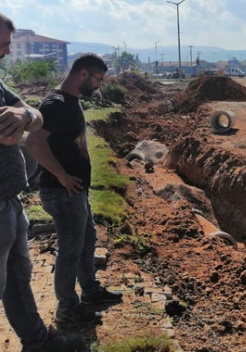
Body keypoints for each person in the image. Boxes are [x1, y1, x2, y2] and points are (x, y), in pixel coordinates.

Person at [0, 13, 85, 351]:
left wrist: (23, 116)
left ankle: (37, 342)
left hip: (9, 201)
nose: (6, 53)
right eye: (3, 45)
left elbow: (34, 115)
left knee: (18, 280)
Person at [25, 53, 123, 328]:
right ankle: (67, 312)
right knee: (70, 251)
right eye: (98, 79)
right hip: (61, 192)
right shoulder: (56, 105)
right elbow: (34, 142)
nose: (99, 86)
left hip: (75, 191)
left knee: (86, 241)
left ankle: (90, 292)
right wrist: (62, 175)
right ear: (83, 74)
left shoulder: (71, 102)